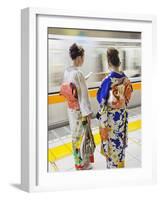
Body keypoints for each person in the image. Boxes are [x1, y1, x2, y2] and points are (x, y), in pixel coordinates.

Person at [96, 47, 133, 169]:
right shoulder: (126, 79)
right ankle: (120, 165)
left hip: (111, 120)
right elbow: (127, 98)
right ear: (119, 62)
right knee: (120, 142)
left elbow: (101, 100)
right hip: (122, 116)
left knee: (112, 145)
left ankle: (113, 168)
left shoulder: (108, 80)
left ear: (109, 63)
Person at [60, 43, 94, 170]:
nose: (84, 60)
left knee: (75, 136)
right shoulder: (78, 73)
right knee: (84, 137)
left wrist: (83, 79)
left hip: (71, 109)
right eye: (83, 57)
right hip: (80, 111)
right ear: (79, 57)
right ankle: (83, 164)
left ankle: (77, 161)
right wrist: (89, 113)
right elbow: (83, 97)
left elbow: (72, 88)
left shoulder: (67, 71)